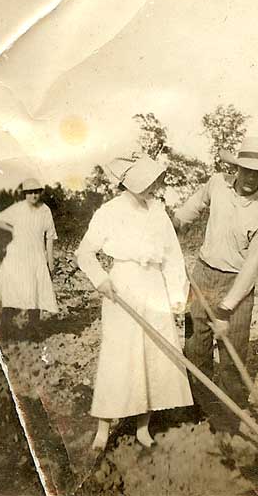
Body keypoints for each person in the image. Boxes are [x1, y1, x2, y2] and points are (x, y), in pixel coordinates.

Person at [76, 155, 193, 451]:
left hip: (154, 287)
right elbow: (84, 253)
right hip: (122, 285)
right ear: (135, 182)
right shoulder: (109, 211)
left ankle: (144, 426)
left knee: (153, 354)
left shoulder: (158, 212)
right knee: (119, 356)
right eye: (150, 183)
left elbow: (173, 258)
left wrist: (177, 296)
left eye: (156, 182)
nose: (155, 188)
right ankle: (104, 427)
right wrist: (100, 279)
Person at [173, 137, 258, 434]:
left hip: (237, 285)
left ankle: (226, 422)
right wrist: (176, 222)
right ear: (236, 167)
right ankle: (198, 409)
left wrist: (225, 309)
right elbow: (193, 206)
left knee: (233, 355)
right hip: (203, 274)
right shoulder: (217, 184)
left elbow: (251, 269)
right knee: (195, 347)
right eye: (246, 170)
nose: (251, 177)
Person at [0, 178, 58, 342]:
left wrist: (51, 262)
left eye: (36, 192)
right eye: (30, 192)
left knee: (35, 291)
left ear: (40, 192)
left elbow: (50, 237)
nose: (33, 195)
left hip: (36, 256)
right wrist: (13, 229)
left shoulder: (45, 210)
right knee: (12, 291)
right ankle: (5, 330)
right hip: (17, 255)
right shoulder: (17, 208)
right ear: (25, 194)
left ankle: (33, 329)